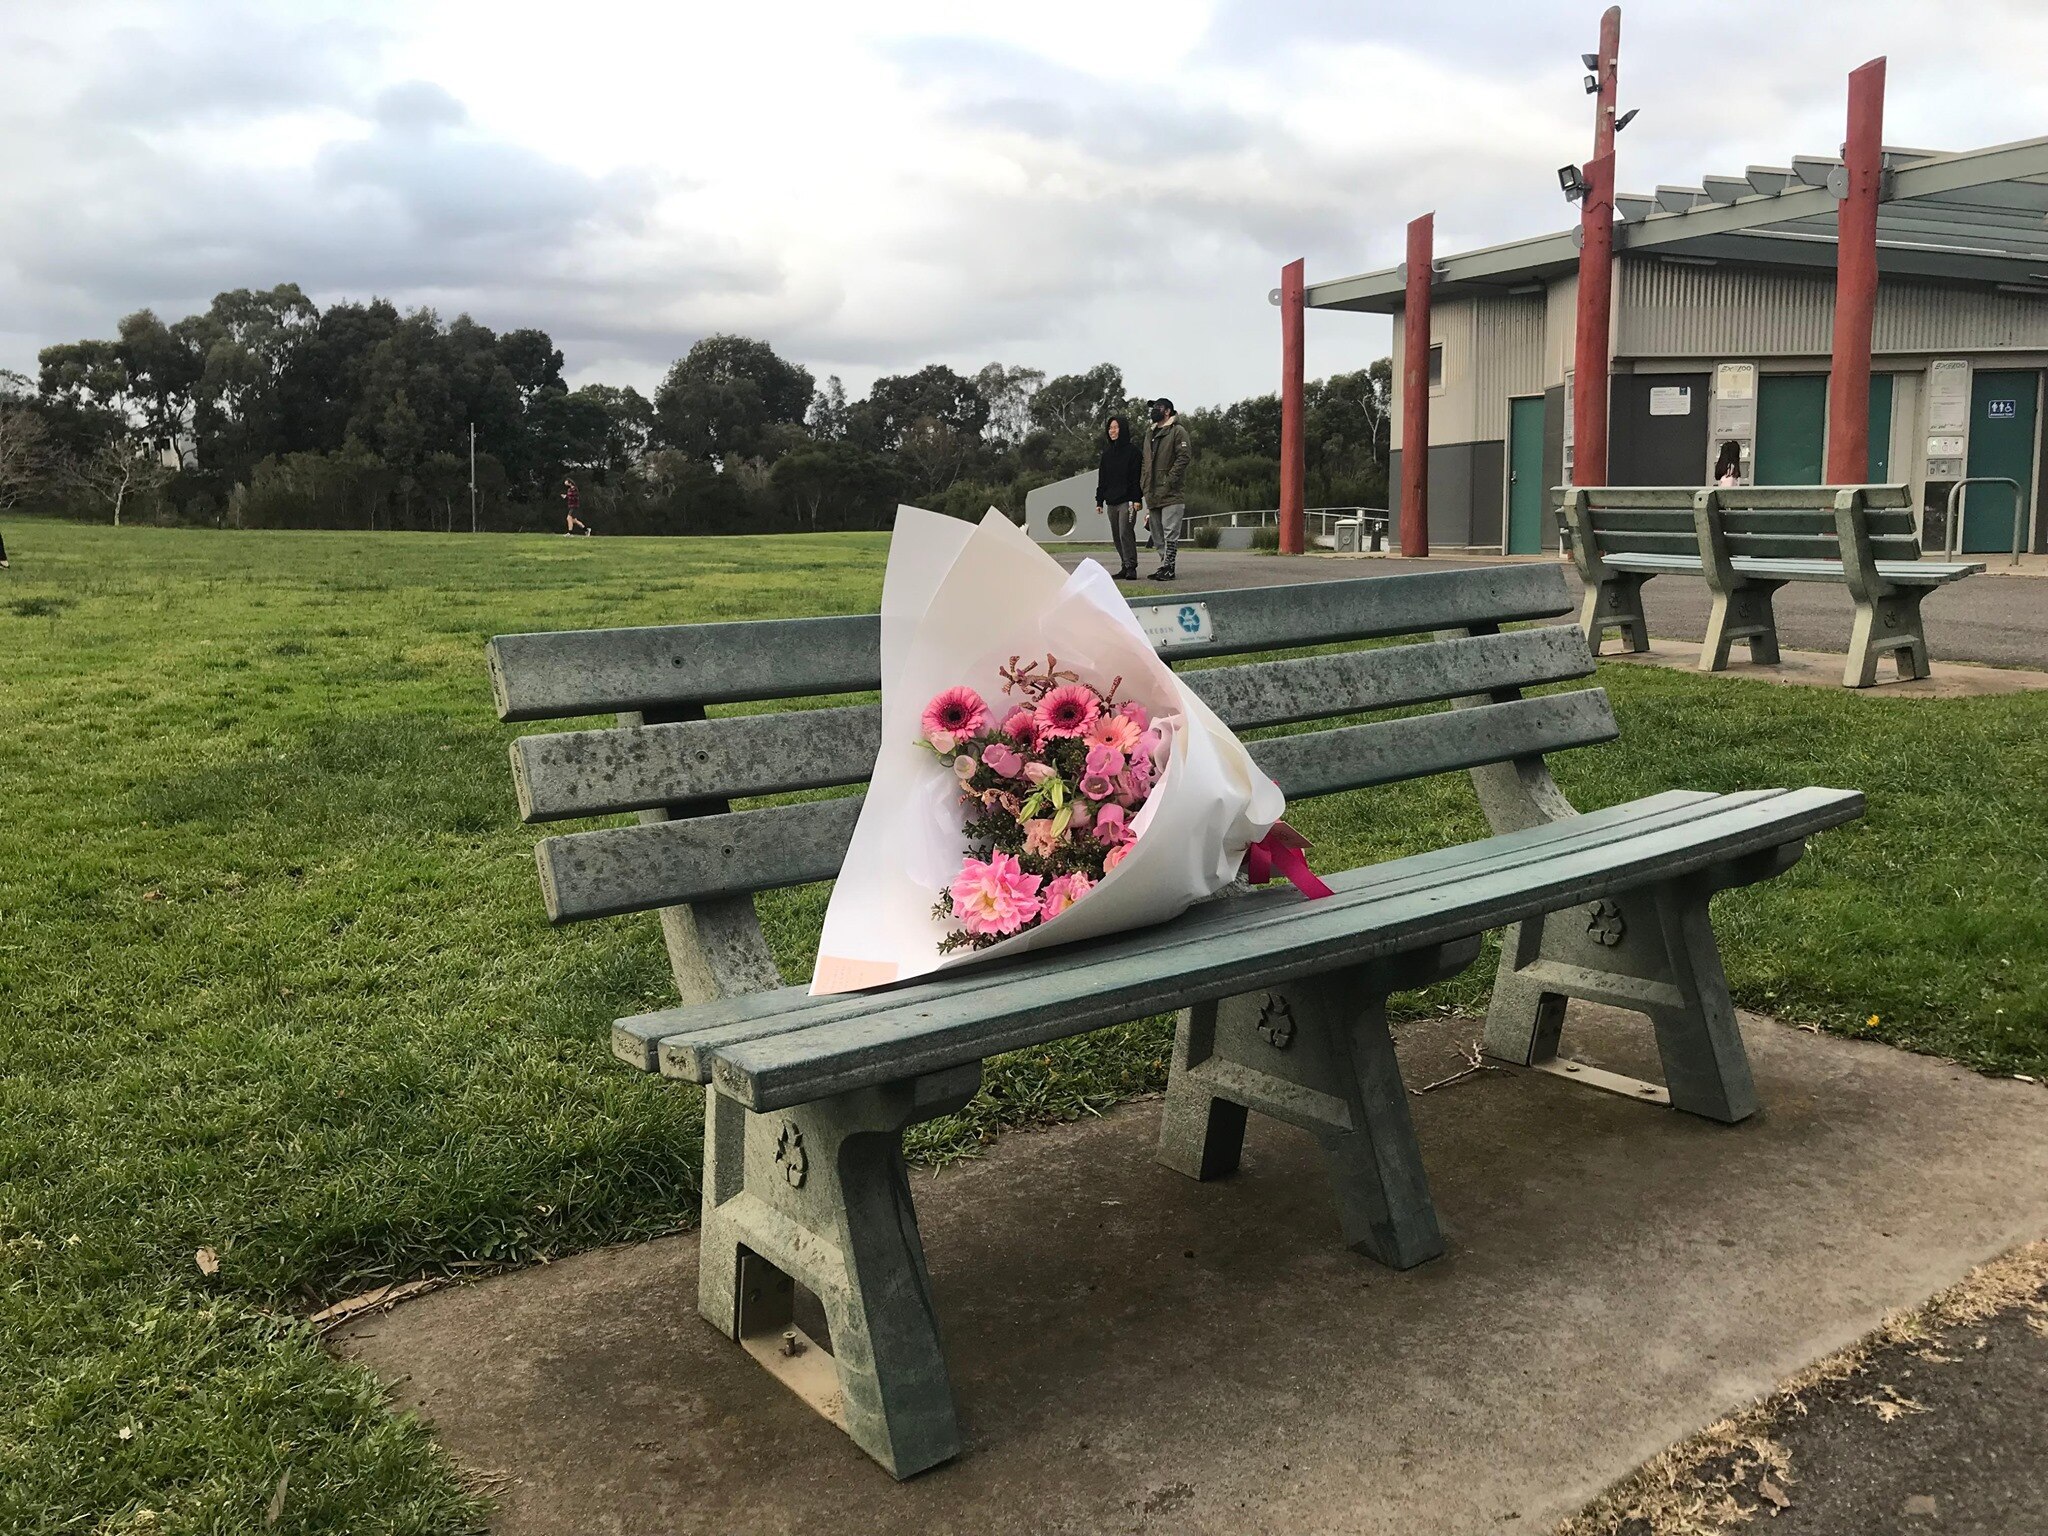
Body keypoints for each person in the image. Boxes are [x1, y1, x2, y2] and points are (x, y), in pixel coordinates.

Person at [1140, 397, 1191, 581]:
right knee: (1157, 532)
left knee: (1170, 531)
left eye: (1158, 407)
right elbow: (1145, 462)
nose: (1154, 410)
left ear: (1168, 411)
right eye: (1153, 407)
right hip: (1152, 492)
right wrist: (1144, 484)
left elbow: (1184, 457)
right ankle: (1163, 565)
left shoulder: (1178, 431)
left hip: (1171, 493)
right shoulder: (1150, 433)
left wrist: (1169, 480)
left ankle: (1170, 567)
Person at [1095, 415, 1144, 580]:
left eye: (1115, 427)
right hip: (1111, 502)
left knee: (1125, 532)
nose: (1112, 431)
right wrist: (1099, 500)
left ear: (1122, 429)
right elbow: (1103, 478)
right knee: (1116, 534)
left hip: (1128, 501)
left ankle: (1131, 566)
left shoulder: (1134, 452)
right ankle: (1124, 565)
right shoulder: (1107, 454)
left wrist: (1137, 499)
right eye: (1110, 428)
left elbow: (1136, 478)